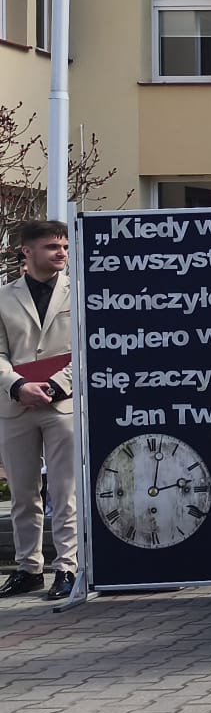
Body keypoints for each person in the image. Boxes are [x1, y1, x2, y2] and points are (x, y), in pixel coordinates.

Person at [0, 220, 79, 602]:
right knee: (22, 493)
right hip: (15, 405)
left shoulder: (78, 291)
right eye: (52, 247)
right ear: (27, 252)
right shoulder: (3, 297)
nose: (61, 252)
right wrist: (17, 385)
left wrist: (55, 384)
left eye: (64, 246)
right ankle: (29, 569)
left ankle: (67, 567)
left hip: (62, 403)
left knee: (65, 490)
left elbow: (87, 346)